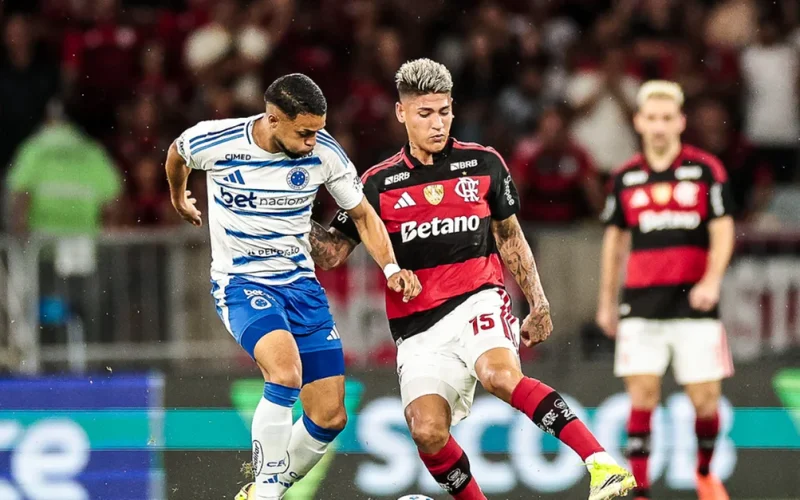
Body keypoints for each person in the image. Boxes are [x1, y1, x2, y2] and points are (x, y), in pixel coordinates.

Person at [308, 58, 635, 500]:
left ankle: (604, 466)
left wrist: (539, 302)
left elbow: (509, 235)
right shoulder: (376, 184)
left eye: (444, 111)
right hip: (417, 326)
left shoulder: (483, 164)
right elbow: (331, 253)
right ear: (402, 114)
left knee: (498, 375)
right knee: (426, 431)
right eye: (425, 114)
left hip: (478, 298)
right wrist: (289, 212)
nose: (437, 123)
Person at [164, 73, 421, 500]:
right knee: (284, 373)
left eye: (317, 132)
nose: (310, 142)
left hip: (301, 286)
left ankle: (264, 491)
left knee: (330, 415)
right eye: (303, 133)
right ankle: (266, 493)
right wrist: (179, 196)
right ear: (273, 119)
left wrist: (391, 268)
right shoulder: (218, 140)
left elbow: (362, 215)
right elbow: (177, 153)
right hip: (241, 283)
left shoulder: (325, 153)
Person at [596, 81, 735, 500]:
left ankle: (706, 472)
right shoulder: (625, 178)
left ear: (680, 122)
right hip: (641, 303)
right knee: (642, 396)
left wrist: (712, 281)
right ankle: (640, 491)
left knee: (706, 399)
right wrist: (606, 301)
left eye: (666, 119)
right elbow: (614, 243)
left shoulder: (706, 170)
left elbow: (723, 230)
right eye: (651, 119)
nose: (659, 127)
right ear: (639, 122)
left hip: (695, 303)